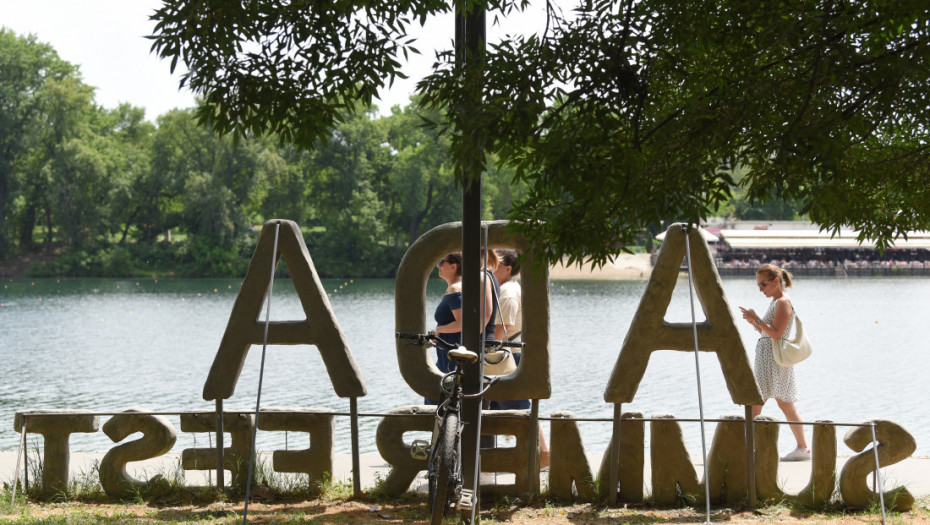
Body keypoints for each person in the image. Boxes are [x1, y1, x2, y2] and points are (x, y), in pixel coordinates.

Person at [739, 263, 810, 461]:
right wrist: (754, 322)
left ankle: (747, 448)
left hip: (773, 360)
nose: (761, 289)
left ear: (776, 281)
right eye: (758, 286)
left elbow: (778, 334)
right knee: (784, 403)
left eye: (763, 284)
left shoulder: (782, 302)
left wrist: (757, 319)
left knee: (757, 402)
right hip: (770, 358)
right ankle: (803, 448)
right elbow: (769, 332)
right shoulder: (776, 301)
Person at [490, 249, 550, 469]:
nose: (490, 266)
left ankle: (542, 456)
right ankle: (538, 455)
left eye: (495, 263)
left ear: (507, 268)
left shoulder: (507, 291)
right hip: (508, 354)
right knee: (511, 409)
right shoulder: (506, 289)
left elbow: (501, 329)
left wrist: (481, 349)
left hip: (508, 356)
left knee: (519, 410)